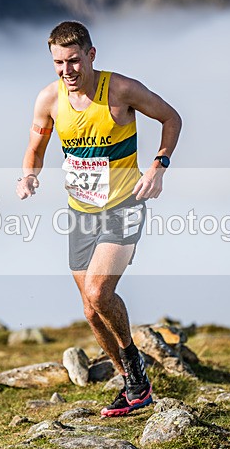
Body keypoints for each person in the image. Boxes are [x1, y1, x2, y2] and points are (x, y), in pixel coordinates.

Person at [15, 21, 181, 417]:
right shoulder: (48, 100)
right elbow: (35, 147)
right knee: (91, 311)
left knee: (97, 293)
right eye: (58, 62)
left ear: (91, 55)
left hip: (124, 205)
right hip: (81, 213)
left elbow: (171, 118)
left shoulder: (121, 90)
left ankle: (135, 370)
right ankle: (133, 384)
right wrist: (29, 175)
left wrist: (159, 166)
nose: (66, 70)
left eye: (73, 60)